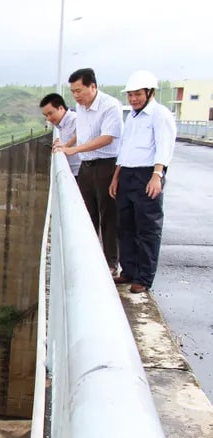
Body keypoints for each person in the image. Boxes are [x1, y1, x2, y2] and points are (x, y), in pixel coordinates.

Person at [109, 70, 176, 293]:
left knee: (147, 228)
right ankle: (128, 270)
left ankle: (144, 278)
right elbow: (125, 149)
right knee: (125, 225)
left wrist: (157, 176)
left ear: (149, 92)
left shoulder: (160, 115)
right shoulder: (133, 117)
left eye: (137, 94)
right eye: (130, 95)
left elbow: (164, 147)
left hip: (148, 174)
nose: (133, 99)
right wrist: (116, 177)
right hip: (127, 174)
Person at [54, 68, 123, 275]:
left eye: (79, 91)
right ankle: (90, 259)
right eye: (73, 91)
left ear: (93, 86)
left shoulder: (110, 106)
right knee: (87, 214)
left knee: (108, 216)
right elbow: (81, 133)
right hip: (87, 167)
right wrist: (66, 144)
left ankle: (111, 263)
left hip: (106, 166)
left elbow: (107, 137)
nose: (76, 96)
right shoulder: (80, 107)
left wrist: (74, 149)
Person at [40, 93, 80, 176]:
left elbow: (82, 134)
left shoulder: (75, 120)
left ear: (61, 108)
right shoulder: (61, 124)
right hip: (71, 172)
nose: (48, 118)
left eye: (50, 113)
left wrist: (66, 145)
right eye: (46, 115)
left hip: (79, 173)